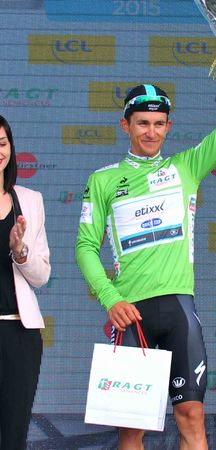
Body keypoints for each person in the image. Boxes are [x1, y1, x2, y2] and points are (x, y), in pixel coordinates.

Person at [75, 26, 216, 450]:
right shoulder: (103, 180)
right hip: (129, 312)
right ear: (125, 125)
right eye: (142, 123)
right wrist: (110, 298)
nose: (150, 132)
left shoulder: (186, 167)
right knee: (131, 428)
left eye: (158, 124)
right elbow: (85, 246)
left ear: (168, 126)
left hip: (178, 309)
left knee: (192, 416)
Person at [0, 115, 51, 450]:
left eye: (2, 143)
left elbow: (41, 276)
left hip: (19, 333)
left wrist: (20, 251)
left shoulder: (30, 201)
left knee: (13, 436)